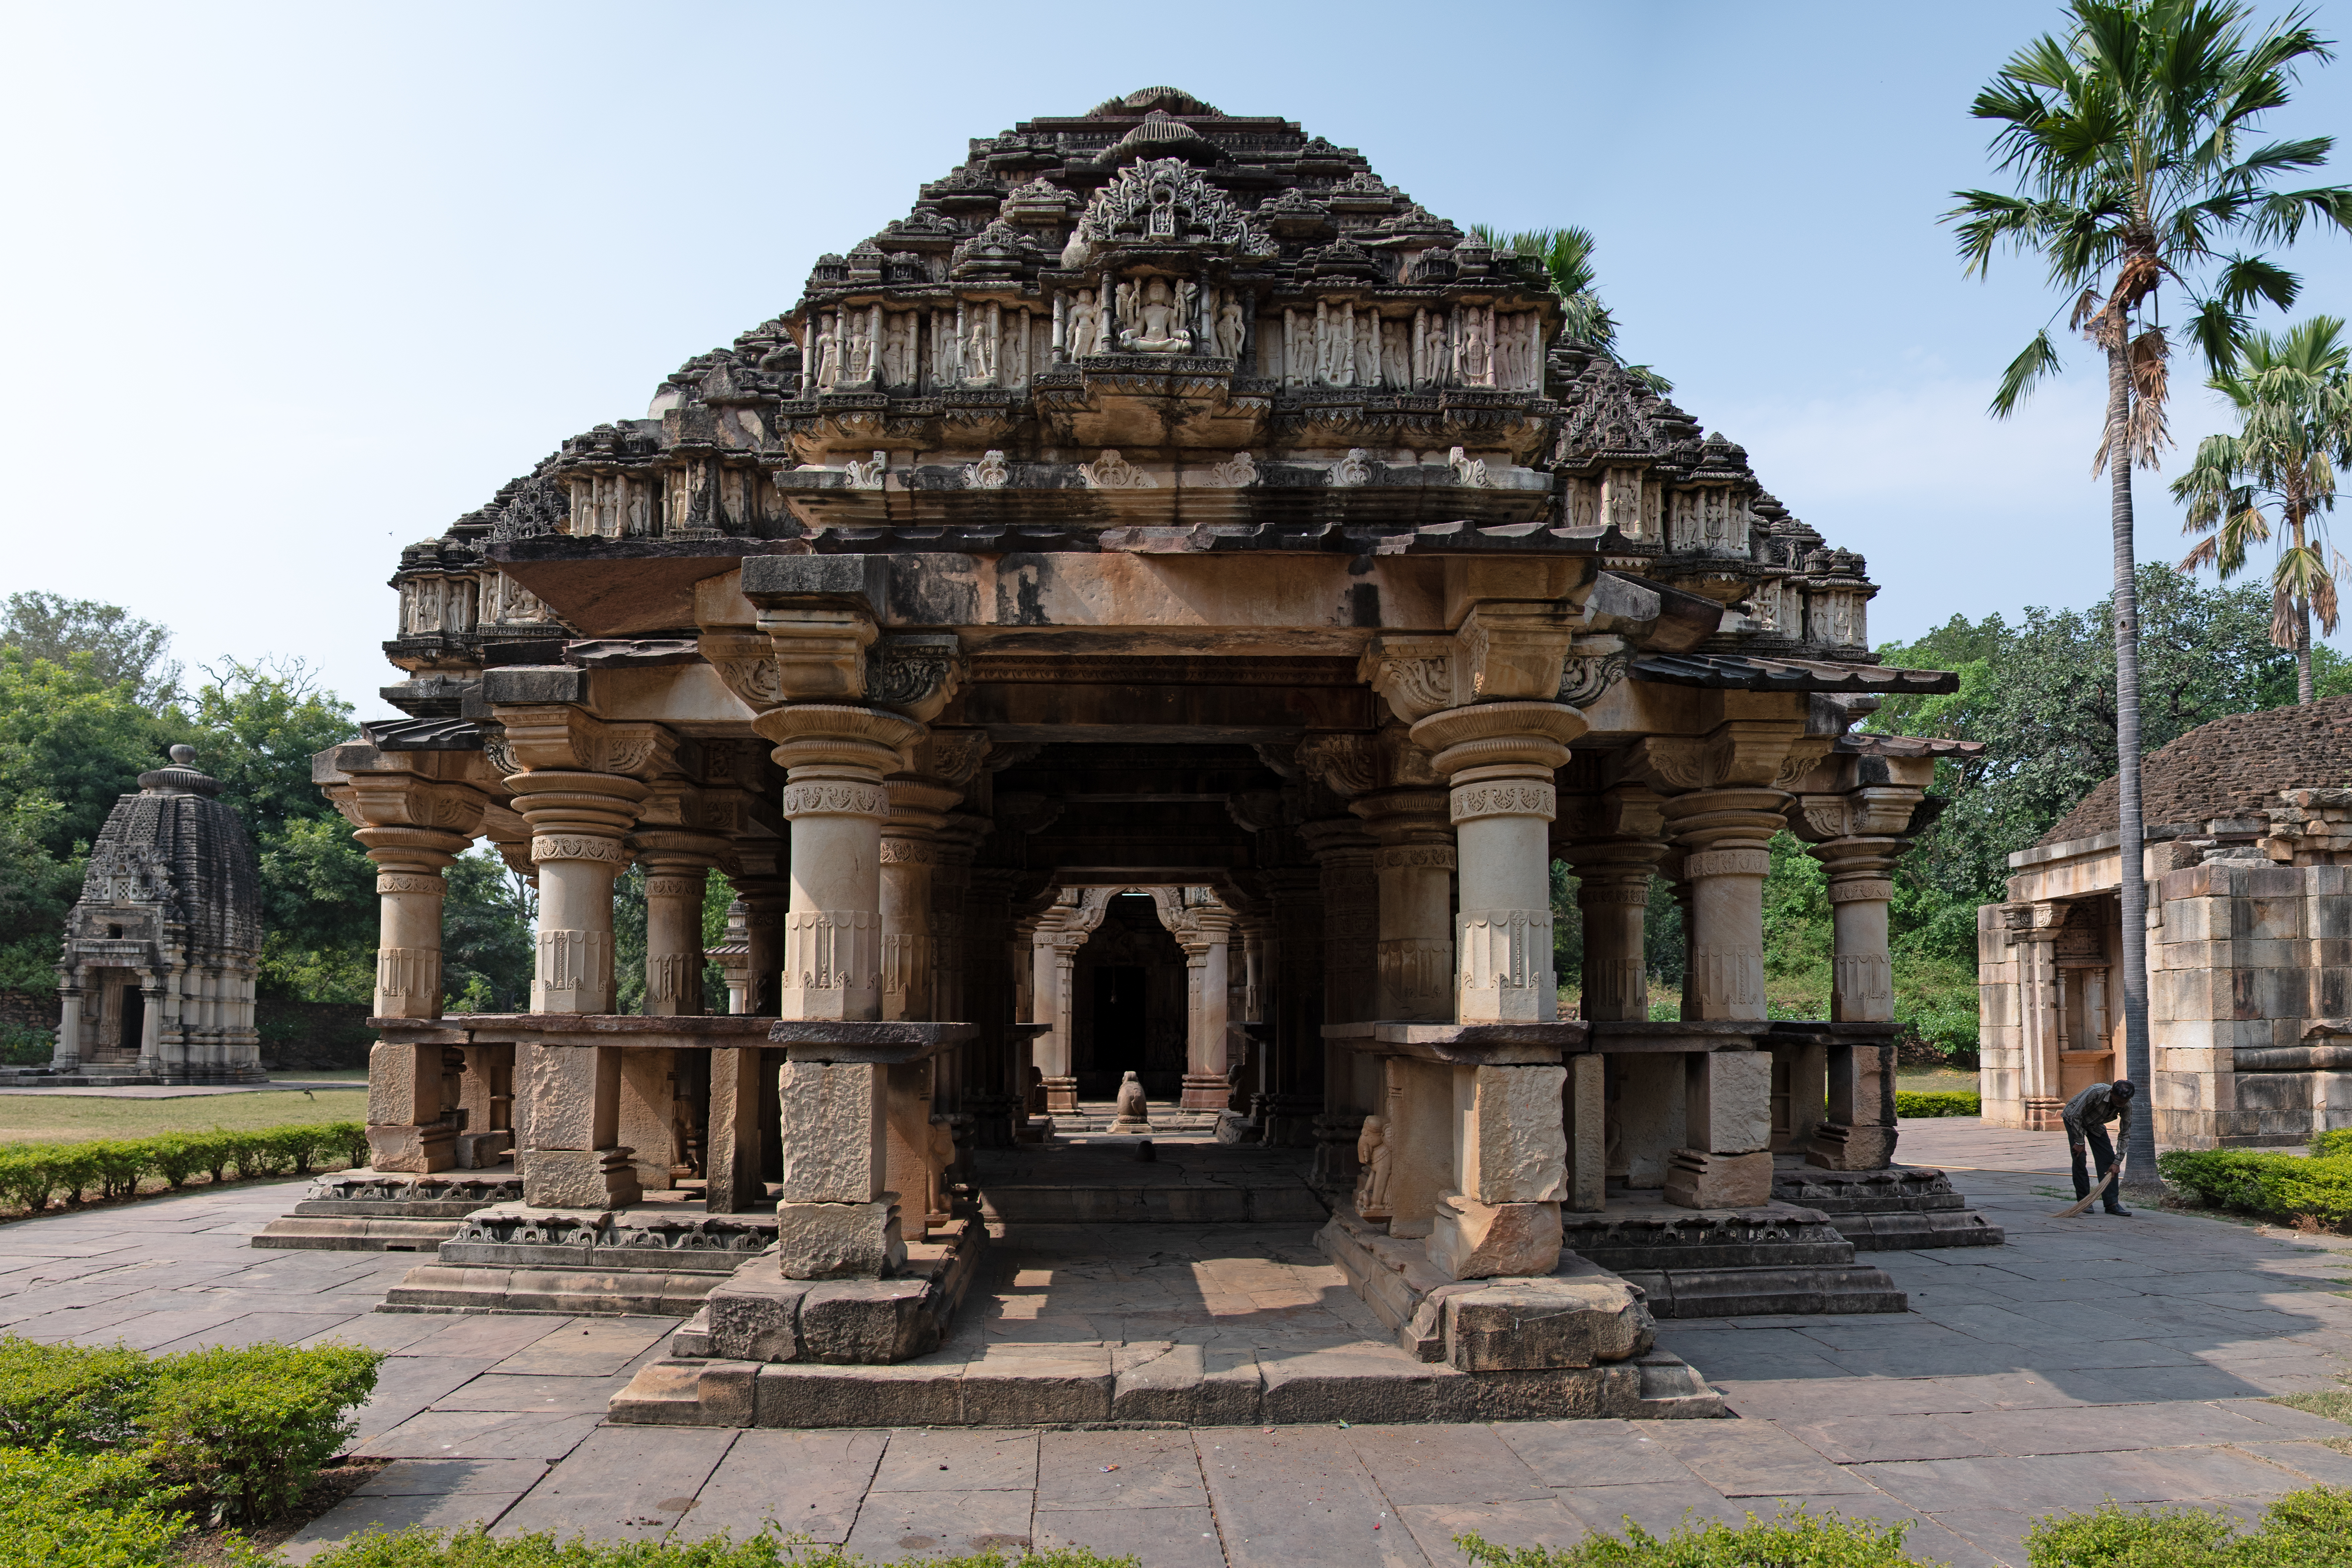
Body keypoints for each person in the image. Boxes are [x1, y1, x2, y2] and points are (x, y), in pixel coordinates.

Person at [2063, 1078, 2136, 1215]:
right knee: (2080, 1158)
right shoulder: (2096, 1092)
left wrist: (2117, 1162)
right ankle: (2084, 1202)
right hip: (2073, 1118)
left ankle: (2112, 1204)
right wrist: (2079, 1143)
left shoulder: (2127, 1105)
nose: (2121, 1105)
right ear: (2111, 1093)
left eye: (2124, 1103)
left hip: (2095, 1123)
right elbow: (2076, 1116)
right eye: (2118, 1102)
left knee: (2109, 1160)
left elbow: (2125, 1134)